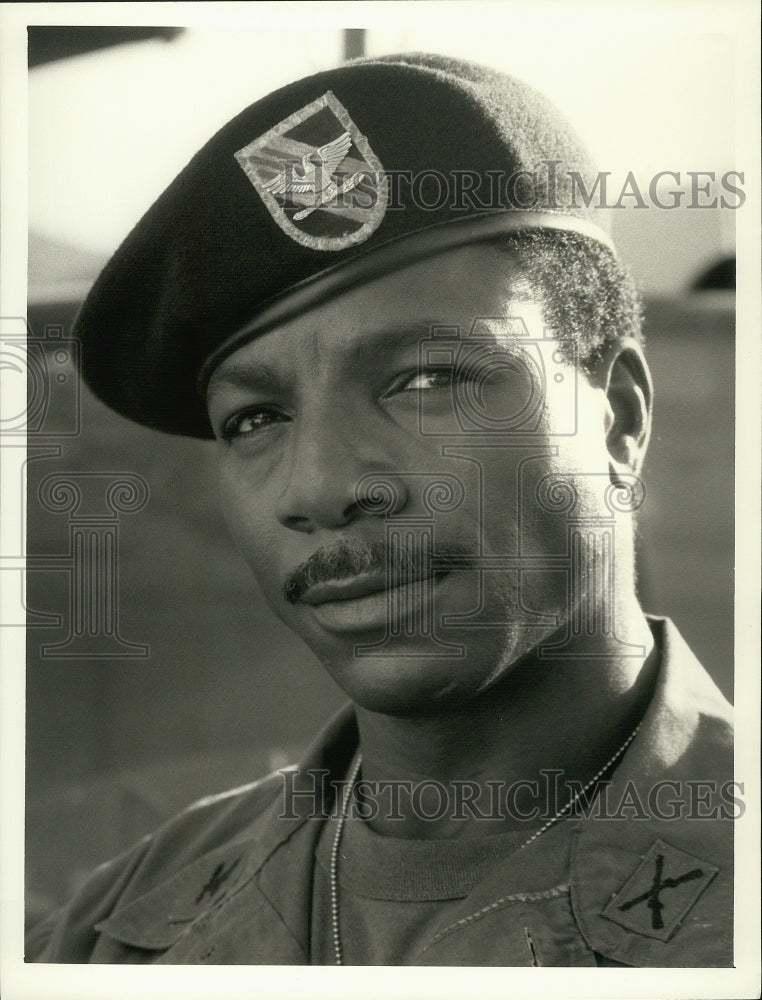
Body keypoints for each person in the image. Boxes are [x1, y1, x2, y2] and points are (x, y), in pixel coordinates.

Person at [26, 52, 734, 967]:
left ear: (620, 419)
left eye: (429, 379)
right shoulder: (119, 922)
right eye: (256, 418)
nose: (318, 487)